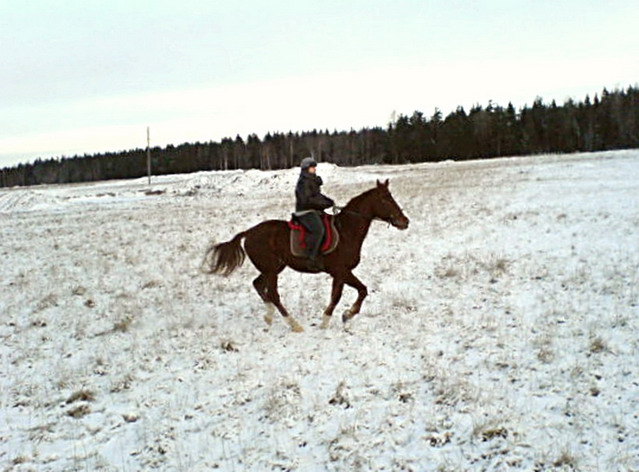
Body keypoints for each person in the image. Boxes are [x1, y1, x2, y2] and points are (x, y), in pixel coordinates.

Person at [294, 157, 335, 270]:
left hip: (314, 210)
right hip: (305, 211)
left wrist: (329, 201)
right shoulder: (303, 183)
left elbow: (317, 196)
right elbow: (307, 200)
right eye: (312, 167)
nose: (314, 169)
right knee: (319, 229)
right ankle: (311, 258)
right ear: (306, 169)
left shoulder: (312, 181)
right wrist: (323, 204)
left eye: (314, 167)